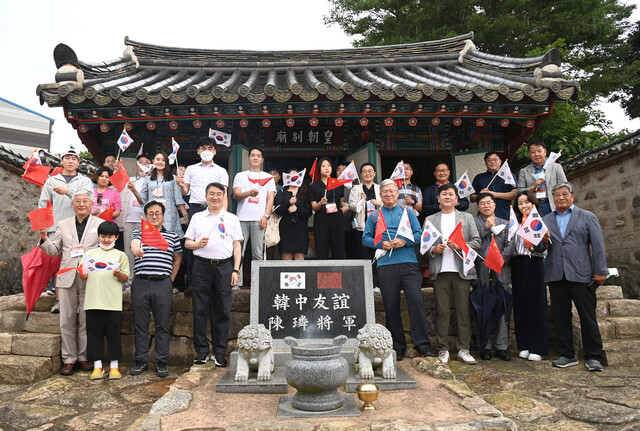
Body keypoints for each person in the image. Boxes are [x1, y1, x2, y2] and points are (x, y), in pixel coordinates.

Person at [362, 179, 432, 360]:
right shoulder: (374, 216)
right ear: (381, 195)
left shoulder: (408, 213)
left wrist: (404, 241)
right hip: (386, 265)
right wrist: (380, 243)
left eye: (392, 191)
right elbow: (365, 238)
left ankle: (422, 345)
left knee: (416, 301)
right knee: (391, 306)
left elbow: (419, 234)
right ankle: (398, 345)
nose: (389, 195)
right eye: (385, 192)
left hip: (408, 263)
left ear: (397, 193)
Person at [542, 182, 609, 371]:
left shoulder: (587, 217)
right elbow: (539, 249)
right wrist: (543, 241)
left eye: (564, 194)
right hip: (556, 274)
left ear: (572, 196)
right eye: (556, 195)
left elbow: (598, 245)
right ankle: (567, 354)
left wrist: (600, 270)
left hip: (581, 274)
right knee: (561, 316)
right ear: (552, 199)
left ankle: (594, 356)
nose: (561, 198)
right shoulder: (546, 219)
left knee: (587, 316)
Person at [38, 192, 104, 375]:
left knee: (85, 320)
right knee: (66, 319)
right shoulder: (63, 224)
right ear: (73, 204)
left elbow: (104, 249)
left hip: (89, 277)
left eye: (85, 201)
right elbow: (53, 251)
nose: (81, 204)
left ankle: (82, 357)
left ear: (91, 204)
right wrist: (44, 239)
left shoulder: (99, 224)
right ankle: (68, 359)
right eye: (78, 201)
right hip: (67, 277)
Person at [185, 182, 243, 366]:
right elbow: (187, 243)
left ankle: (220, 352)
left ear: (223, 196)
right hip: (201, 266)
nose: (215, 197)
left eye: (219, 194)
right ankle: (201, 351)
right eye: (211, 194)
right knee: (199, 308)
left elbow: (237, 246)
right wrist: (197, 244)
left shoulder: (232, 218)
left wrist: (236, 269)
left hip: (224, 267)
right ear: (206, 195)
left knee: (223, 310)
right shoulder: (197, 217)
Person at [427, 183, 480, 365]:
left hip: (461, 271)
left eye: (451, 194)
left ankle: (463, 349)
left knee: (463, 311)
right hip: (440, 271)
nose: (447, 197)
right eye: (444, 194)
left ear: (457, 200)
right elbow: (424, 246)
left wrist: (460, 246)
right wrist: (434, 248)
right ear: (438, 199)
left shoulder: (467, 217)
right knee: (442, 312)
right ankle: (443, 349)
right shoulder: (430, 219)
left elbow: (476, 241)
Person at [129, 201, 183, 377]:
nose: (154, 216)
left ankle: (161, 362)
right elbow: (134, 245)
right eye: (150, 213)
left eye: (157, 213)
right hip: (141, 282)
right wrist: (137, 250)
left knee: (162, 325)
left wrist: (171, 279)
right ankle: (141, 361)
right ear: (145, 216)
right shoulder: (139, 232)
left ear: (163, 215)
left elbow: (177, 258)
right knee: (140, 324)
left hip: (163, 283)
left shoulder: (172, 236)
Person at [39, 148, 93, 312]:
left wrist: (68, 192)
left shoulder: (84, 181)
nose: (70, 161)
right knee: (57, 265)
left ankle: (78, 301)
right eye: (67, 158)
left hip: (78, 227)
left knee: (77, 264)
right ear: (61, 161)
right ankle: (60, 300)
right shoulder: (52, 180)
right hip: (55, 227)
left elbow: (87, 200)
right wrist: (43, 226)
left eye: (73, 158)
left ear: (78, 162)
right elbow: (43, 203)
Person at [79, 221, 129, 380]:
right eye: (103, 236)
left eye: (110, 237)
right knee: (94, 334)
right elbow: (83, 275)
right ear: (98, 236)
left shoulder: (121, 255)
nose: (106, 240)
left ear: (116, 237)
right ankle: (97, 366)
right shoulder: (89, 254)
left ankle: (114, 366)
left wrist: (117, 274)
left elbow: (125, 277)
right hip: (93, 300)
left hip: (113, 302)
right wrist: (81, 272)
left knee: (114, 333)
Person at [177, 137, 229, 287]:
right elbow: (185, 191)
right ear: (198, 151)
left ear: (215, 151)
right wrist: (181, 185)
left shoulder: (221, 171)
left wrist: (223, 213)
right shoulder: (191, 169)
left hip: (215, 210)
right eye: (204, 148)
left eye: (210, 148)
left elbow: (223, 194)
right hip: (195, 209)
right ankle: (192, 283)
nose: (207, 151)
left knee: (214, 241)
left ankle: (212, 281)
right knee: (193, 244)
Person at [473, 192, 515, 361]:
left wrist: (499, 260)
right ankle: (485, 345)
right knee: (483, 309)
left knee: (501, 309)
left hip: (500, 269)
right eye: (482, 203)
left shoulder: (505, 223)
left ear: (495, 205)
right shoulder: (473, 223)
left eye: (489, 203)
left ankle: (501, 346)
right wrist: (485, 228)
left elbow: (511, 244)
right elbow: (472, 243)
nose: (486, 206)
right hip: (481, 270)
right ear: (478, 207)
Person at [511, 191, 550, 362]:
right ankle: (525, 344)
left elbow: (544, 248)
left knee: (536, 304)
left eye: (526, 202)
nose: (523, 206)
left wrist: (534, 248)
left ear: (533, 203)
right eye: (520, 203)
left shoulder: (540, 220)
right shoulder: (515, 222)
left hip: (534, 263)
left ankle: (538, 346)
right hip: (518, 264)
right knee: (521, 304)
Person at [232, 147, 276, 284]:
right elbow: (236, 195)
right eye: (253, 155)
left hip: (259, 219)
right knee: (240, 252)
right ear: (248, 158)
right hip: (241, 219)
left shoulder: (268, 178)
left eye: (258, 156)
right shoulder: (240, 175)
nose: (255, 158)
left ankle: (258, 284)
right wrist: (248, 193)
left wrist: (266, 216)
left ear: (262, 159)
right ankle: (236, 283)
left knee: (257, 253)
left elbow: (270, 199)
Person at [120, 153, 152, 291]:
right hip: (128, 220)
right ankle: (129, 283)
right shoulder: (129, 180)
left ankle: (143, 282)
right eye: (141, 162)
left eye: (147, 163)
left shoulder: (153, 181)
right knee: (128, 253)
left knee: (145, 253)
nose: (143, 165)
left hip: (145, 222)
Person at [308, 157, 349, 259]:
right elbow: (314, 207)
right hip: (321, 219)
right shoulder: (314, 186)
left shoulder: (338, 183)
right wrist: (320, 203)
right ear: (319, 169)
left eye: (329, 166)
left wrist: (346, 207)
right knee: (322, 249)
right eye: (323, 166)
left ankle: (339, 271)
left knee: (338, 248)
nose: (327, 168)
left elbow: (341, 202)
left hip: (337, 218)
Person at [141, 152, 188, 238]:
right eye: (158, 159)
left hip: (169, 212)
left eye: (163, 160)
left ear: (167, 162)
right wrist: (133, 190)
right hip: (152, 212)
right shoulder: (147, 179)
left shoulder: (173, 178)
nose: (160, 162)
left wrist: (185, 214)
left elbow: (178, 197)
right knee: (152, 237)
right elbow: (142, 198)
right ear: (153, 161)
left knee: (168, 237)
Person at [517, 138, 567, 217]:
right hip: (533, 206)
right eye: (533, 152)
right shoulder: (524, 171)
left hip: (553, 204)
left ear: (545, 152)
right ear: (529, 154)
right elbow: (519, 191)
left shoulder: (556, 167)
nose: (536, 154)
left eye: (539, 151)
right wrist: (533, 187)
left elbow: (565, 186)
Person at [273, 168, 312, 260]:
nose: (294, 178)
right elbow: (277, 209)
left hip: (300, 229)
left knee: (299, 255)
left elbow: (308, 211)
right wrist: (288, 205)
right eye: (291, 176)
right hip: (285, 228)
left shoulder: (304, 193)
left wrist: (297, 209)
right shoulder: (282, 192)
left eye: (296, 176)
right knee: (286, 256)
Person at [348, 163, 381, 259]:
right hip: (362, 228)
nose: (367, 173)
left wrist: (379, 204)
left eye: (370, 171)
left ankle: (376, 274)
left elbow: (388, 204)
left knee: (377, 255)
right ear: (361, 174)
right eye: (364, 171)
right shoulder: (356, 189)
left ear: (374, 173)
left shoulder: (380, 188)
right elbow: (352, 206)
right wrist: (362, 201)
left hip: (378, 227)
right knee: (363, 255)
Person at [471, 152, 516, 220]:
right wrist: (480, 195)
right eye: (489, 160)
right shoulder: (479, 178)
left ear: (500, 161)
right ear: (485, 163)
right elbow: (472, 198)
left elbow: (515, 194)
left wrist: (495, 195)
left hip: (505, 215)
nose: (492, 162)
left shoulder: (509, 175)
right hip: (484, 217)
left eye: (495, 160)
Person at [336, 161, 356, 259]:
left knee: (351, 251)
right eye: (338, 170)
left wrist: (348, 206)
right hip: (337, 224)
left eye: (344, 170)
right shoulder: (333, 186)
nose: (341, 172)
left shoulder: (355, 187)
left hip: (352, 225)